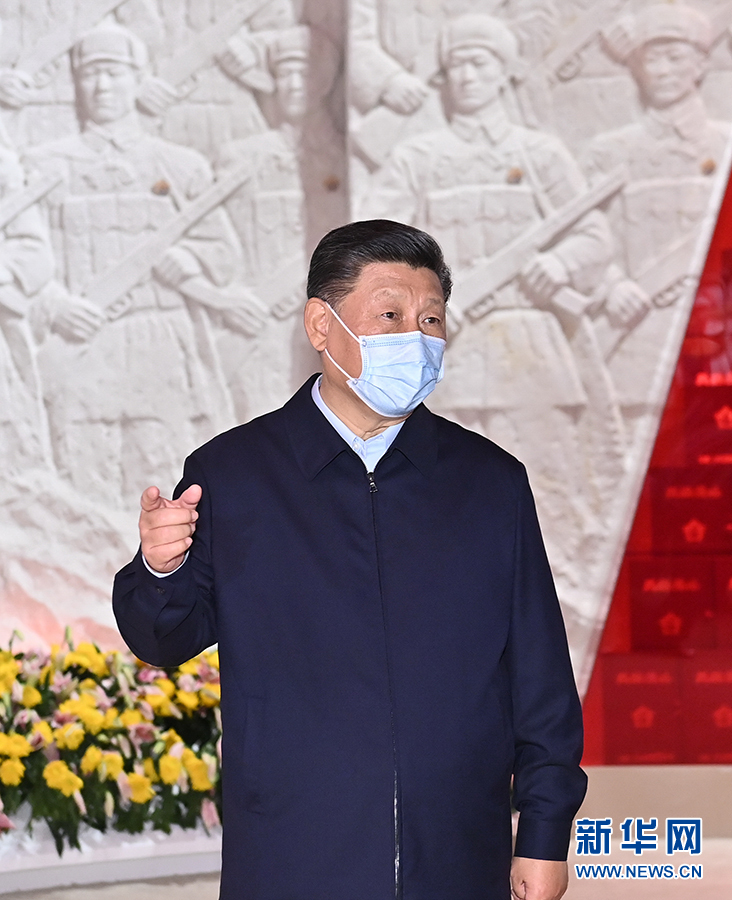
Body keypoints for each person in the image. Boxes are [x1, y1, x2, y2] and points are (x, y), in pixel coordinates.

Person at [113, 219, 585, 900]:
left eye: (431, 319)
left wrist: (544, 832)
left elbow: (540, 678)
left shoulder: (490, 483)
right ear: (321, 325)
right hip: (291, 856)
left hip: (456, 855)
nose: (415, 338)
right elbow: (163, 638)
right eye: (390, 315)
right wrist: (161, 568)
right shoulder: (235, 474)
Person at [364, 14, 618, 619]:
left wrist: (558, 264)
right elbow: (371, 248)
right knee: (443, 480)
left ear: (505, 72)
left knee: (548, 469)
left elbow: (594, 235)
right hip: (445, 347)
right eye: (456, 66)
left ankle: (564, 589)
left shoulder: (539, 154)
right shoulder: (418, 157)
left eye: (479, 63)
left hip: (528, 341)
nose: (467, 76)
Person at [26, 23, 240, 505]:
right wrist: (56, 306)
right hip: (81, 347)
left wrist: (184, 262)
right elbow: (20, 260)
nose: (102, 86)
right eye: (90, 74)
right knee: (83, 482)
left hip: (159, 344)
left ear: (139, 79)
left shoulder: (179, 165)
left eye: (115, 73)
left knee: (167, 483)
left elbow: (225, 257)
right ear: (76, 83)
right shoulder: (45, 167)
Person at [583, 3, 730, 440]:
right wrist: (611, 285)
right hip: (637, 333)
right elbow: (584, 234)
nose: (663, 70)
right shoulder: (609, 152)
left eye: (675, 57)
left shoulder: (725, 146)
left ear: (701, 64)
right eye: (651, 59)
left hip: (716, 329)